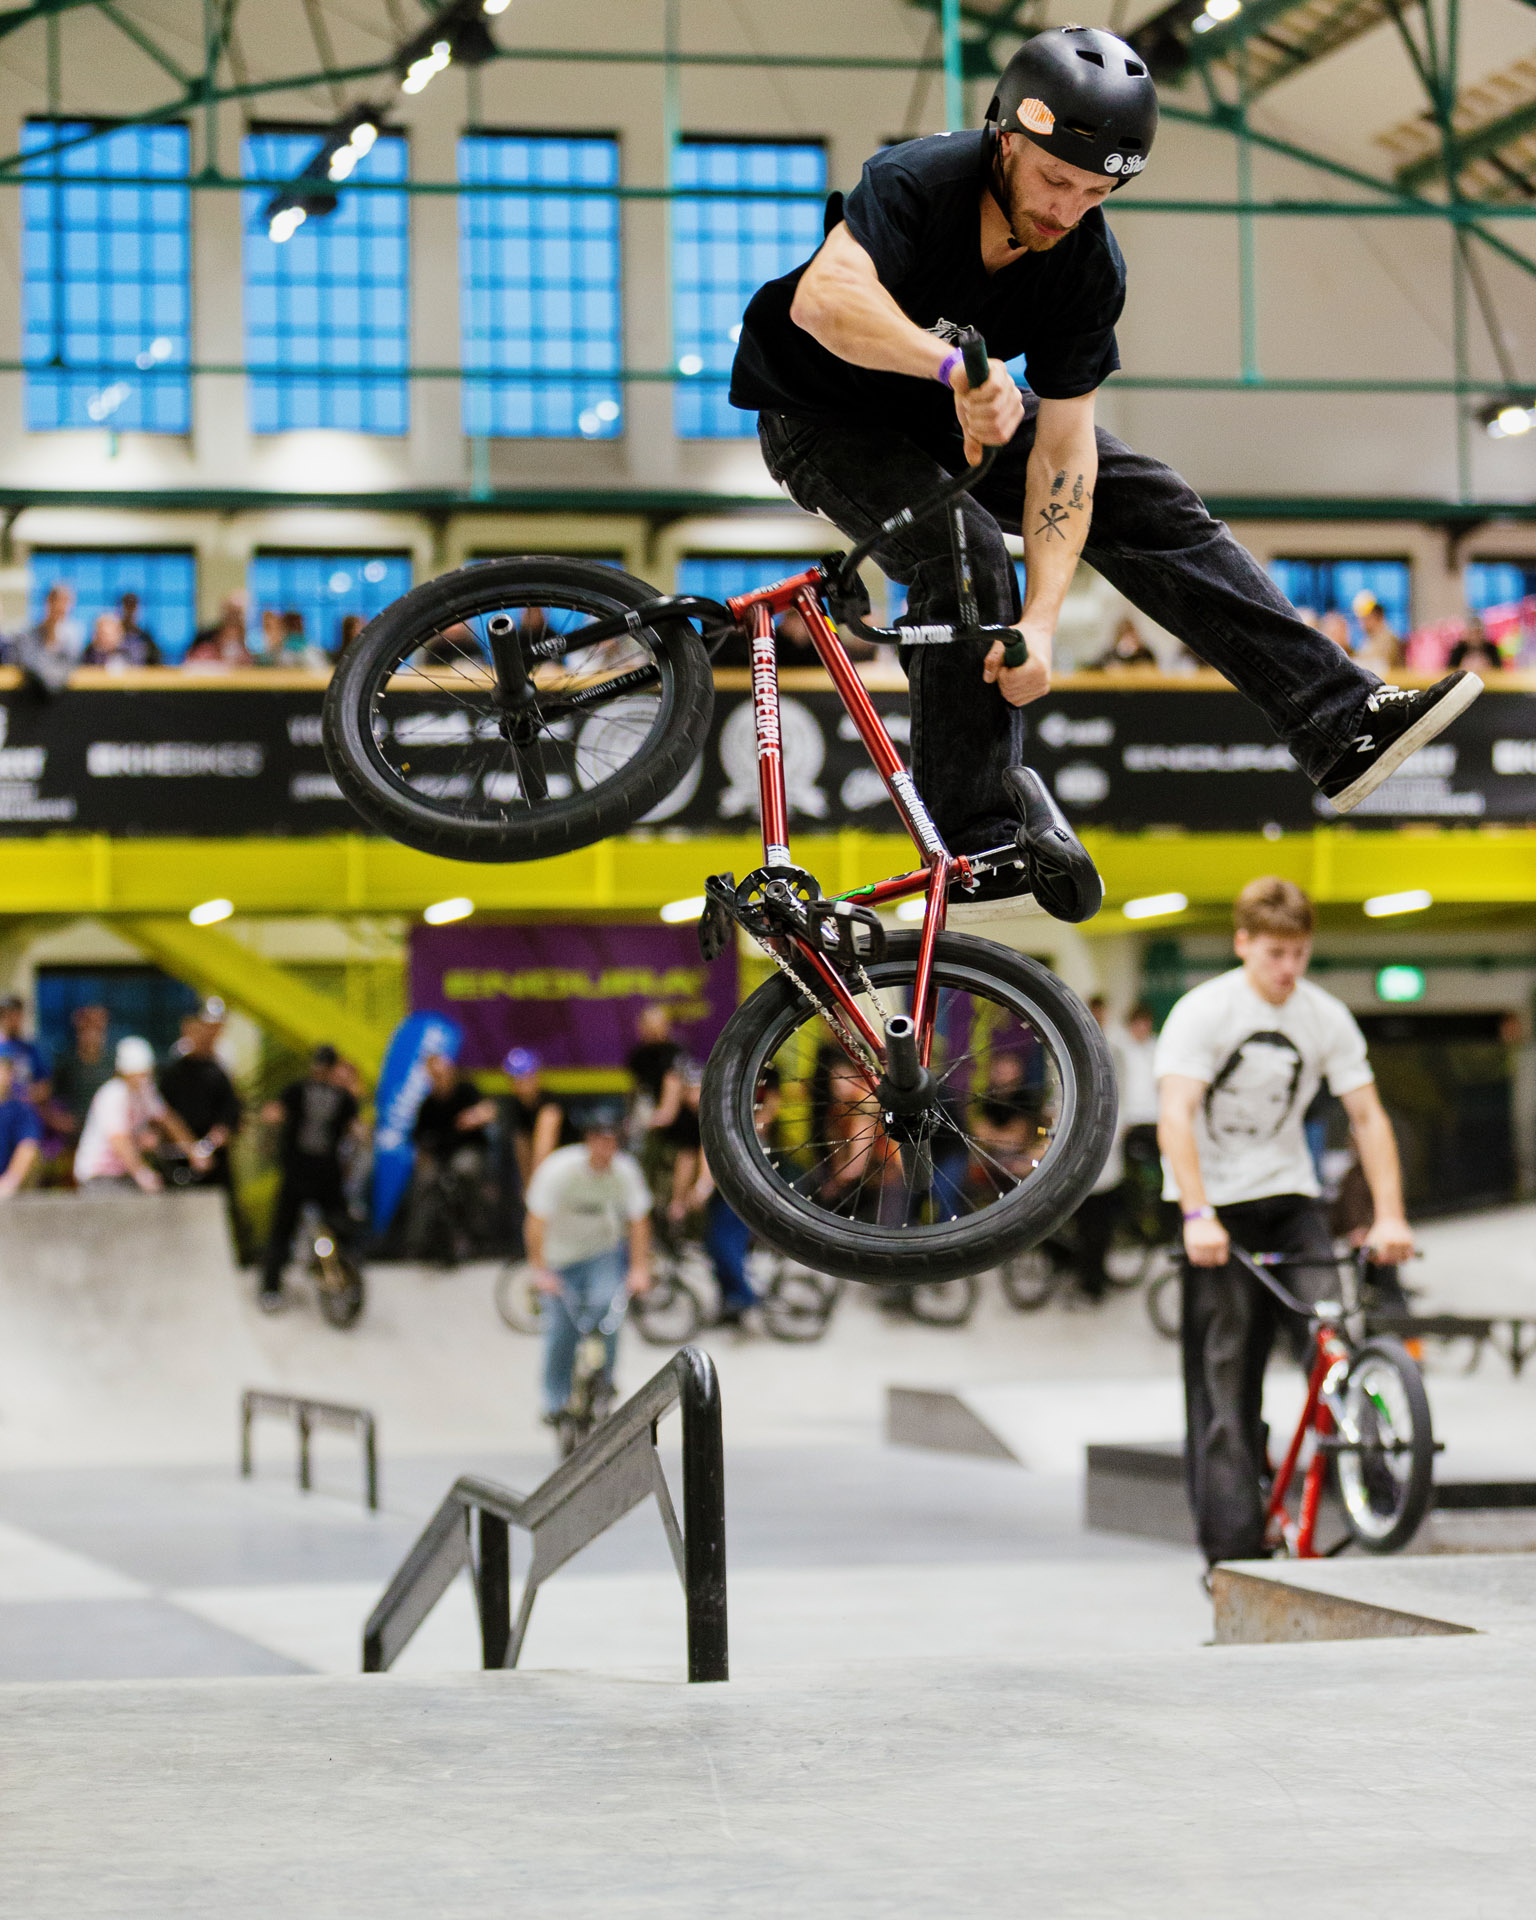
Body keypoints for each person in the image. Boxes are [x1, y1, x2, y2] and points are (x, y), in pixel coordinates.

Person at [727, 25, 1480, 912]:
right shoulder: (920, 180)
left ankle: (1339, 720)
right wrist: (954, 369)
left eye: (1096, 192)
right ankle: (971, 835)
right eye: (1056, 180)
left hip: (946, 412)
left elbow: (1066, 457)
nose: (1067, 210)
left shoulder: (1086, 264)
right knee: (962, 546)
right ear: (1008, 137)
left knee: (1146, 496)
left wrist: (1043, 623)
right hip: (817, 415)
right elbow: (824, 301)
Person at [1155, 876, 1414, 1568]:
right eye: (1275, 953)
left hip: (1292, 1201)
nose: (1288, 969)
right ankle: (1233, 1547)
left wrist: (1390, 1216)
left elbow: (1368, 1117)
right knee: (1225, 1375)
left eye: (1299, 953)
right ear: (1243, 943)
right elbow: (1175, 1116)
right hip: (1216, 1213)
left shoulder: (1324, 1016)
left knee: (1332, 1342)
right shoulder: (1204, 1012)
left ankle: (1377, 1488)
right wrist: (1198, 1214)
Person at [523, 1107, 652, 1427]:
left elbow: (638, 1220)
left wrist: (639, 1268)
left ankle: (604, 1379)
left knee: (607, 1313)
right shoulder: (560, 1170)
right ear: (589, 1141)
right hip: (560, 1258)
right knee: (561, 1328)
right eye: (600, 1140)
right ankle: (555, 1399)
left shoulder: (624, 1172)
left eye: (611, 1141)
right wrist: (540, 1270)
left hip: (601, 1254)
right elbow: (536, 1222)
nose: (605, 1148)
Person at [259, 1044, 360, 1311]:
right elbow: (275, 1112)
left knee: (337, 1227)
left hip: (323, 1174)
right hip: (301, 1172)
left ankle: (345, 1274)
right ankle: (271, 1286)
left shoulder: (341, 1097)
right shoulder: (299, 1091)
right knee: (284, 1231)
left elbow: (354, 1129)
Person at [158, 999, 246, 1247]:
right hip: (180, 1159)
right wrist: (190, 1148)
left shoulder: (219, 1068)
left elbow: (230, 1114)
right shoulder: (174, 1070)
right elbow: (164, 1113)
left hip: (213, 1161)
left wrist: (211, 1143)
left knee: (222, 1217)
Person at [74, 1036, 210, 1192]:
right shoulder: (112, 1094)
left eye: (146, 1073)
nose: (143, 1078)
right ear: (125, 1072)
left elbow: (168, 1119)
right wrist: (141, 1172)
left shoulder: (146, 1092)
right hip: (99, 1176)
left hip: (124, 1175)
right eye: (139, 1074)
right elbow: (119, 1140)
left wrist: (193, 1150)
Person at [46, 1003, 115, 1163]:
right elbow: (46, 1099)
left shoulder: (113, 1064)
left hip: (107, 1135)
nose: (92, 1033)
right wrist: (58, 1120)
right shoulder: (67, 1064)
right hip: (76, 1137)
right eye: (87, 1027)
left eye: (97, 1028)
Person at [4, 584, 84, 692]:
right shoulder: (29, 635)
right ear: (48, 602)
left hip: (66, 696)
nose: (61, 607)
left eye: (66, 602)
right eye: (57, 601)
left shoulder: (75, 636)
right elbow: (29, 664)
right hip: (33, 694)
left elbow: (71, 666)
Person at [0, 1053, 43, 1199]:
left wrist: (8, 1183)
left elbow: (28, 1147)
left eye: (5, 1069)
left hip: (9, 1191)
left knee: (36, 1156)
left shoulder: (21, 1110)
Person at [0, 996, 50, 1107]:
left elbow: (45, 1085)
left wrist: (30, 1096)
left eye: (16, 1015)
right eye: (8, 1015)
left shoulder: (30, 1050)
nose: (13, 1020)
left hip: (28, 1109)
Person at [184, 596, 254, 670]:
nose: (233, 617)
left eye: (238, 613)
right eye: (231, 612)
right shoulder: (205, 638)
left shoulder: (247, 642)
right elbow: (190, 662)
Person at [1354, 593, 1404, 673]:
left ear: (1378, 615)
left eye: (1366, 618)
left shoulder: (1388, 639)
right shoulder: (1369, 639)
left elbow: (1381, 666)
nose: (1361, 622)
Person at [1089, 617, 1157, 670]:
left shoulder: (1144, 653)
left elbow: (1152, 669)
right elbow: (1094, 667)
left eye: (1131, 636)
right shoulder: (1110, 655)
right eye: (1125, 636)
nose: (1129, 640)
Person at [117, 592, 162, 665]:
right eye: (127, 606)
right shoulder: (110, 637)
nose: (129, 611)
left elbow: (156, 661)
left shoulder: (145, 637)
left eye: (133, 606)